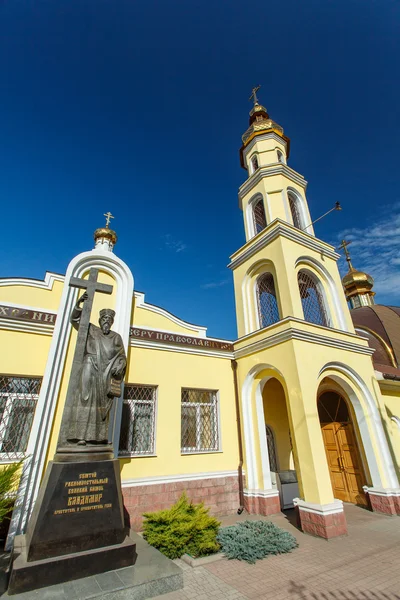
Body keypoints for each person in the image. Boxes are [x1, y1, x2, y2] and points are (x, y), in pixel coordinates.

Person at [67, 292, 126, 445]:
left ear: (112, 322)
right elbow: (75, 320)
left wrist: (120, 365)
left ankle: (99, 437)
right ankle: (80, 436)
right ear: (100, 320)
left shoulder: (116, 337)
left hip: (105, 375)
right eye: (104, 319)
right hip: (90, 366)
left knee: (102, 408)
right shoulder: (91, 330)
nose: (106, 321)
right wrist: (79, 305)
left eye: (109, 319)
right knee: (84, 397)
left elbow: (121, 356)